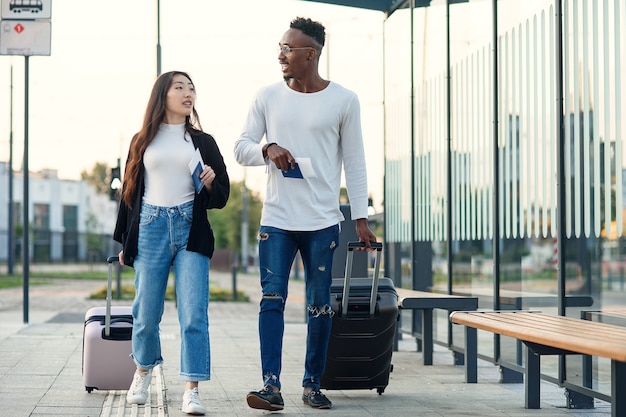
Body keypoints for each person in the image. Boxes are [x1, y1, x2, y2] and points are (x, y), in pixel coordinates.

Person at [233, 17, 377, 412]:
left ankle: (312, 385)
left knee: (319, 304)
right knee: (272, 299)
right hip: (277, 220)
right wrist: (268, 149)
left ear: (310, 54)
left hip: (322, 222)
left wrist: (360, 220)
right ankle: (270, 386)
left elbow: (356, 162)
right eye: (279, 47)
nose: (280, 54)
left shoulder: (344, 100)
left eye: (287, 48)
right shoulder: (267, 97)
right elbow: (241, 146)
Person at [113, 70, 230, 415]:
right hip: (149, 226)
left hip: (190, 228)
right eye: (180, 87)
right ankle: (143, 372)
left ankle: (191, 390)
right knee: (146, 312)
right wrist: (125, 242)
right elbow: (129, 192)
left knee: (193, 314)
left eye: (191, 88)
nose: (187, 93)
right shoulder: (142, 140)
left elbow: (221, 192)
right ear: (162, 94)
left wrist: (209, 182)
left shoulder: (203, 142)